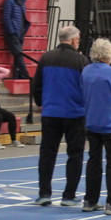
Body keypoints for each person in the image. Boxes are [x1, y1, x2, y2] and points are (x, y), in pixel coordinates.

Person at [32, 25, 88, 206]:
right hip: (74, 114)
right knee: (75, 154)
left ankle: (44, 193)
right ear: (73, 40)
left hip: (51, 113)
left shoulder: (46, 57)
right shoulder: (81, 60)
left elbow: (36, 85)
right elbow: (86, 86)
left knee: (47, 153)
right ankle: (69, 195)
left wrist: (42, 103)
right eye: (78, 39)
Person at [81, 38, 111, 215]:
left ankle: (90, 200)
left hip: (91, 122)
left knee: (93, 161)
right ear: (110, 54)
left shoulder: (86, 71)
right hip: (109, 124)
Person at [1, 0, 32, 79]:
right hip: (13, 34)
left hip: (20, 33)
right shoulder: (10, 1)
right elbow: (6, 17)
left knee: (17, 57)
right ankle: (26, 77)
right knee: (19, 55)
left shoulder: (23, 2)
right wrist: (12, 31)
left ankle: (17, 77)